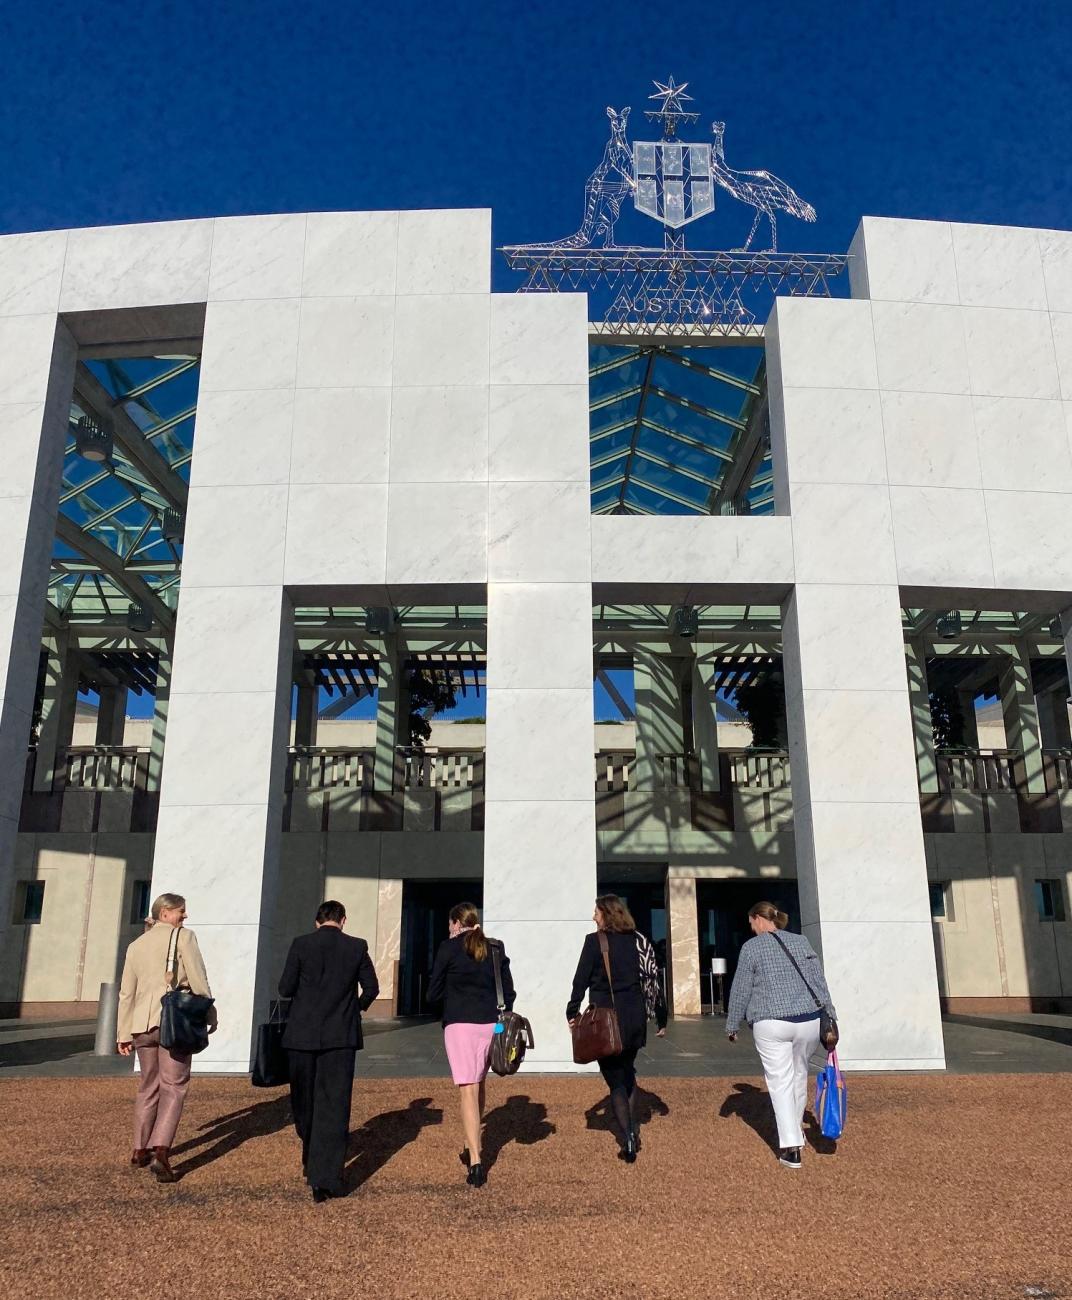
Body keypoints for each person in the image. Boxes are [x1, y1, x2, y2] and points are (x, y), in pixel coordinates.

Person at [279, 900, 379, 1202]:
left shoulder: (301, 944)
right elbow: (372, 988)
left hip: (302, 1032)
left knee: (304, 1099)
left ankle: (310, 1152)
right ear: (343, 920)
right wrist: (355, 1009)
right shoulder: (357, 946)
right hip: (340, 1033)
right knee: (334, 1104)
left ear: (317, 921)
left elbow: (285, 988)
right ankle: (327, 1177)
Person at [725, 900, 837, 1170]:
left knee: (779, 1081)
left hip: (771, 1022)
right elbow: (818, 980)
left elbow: (741, 987)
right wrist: (831, 1015)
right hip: (808, 1021)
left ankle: (791, 1147)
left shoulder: (751, 947)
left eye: (751, 922)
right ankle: (795, 1132)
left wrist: (732, 1023)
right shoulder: (800, 941)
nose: (751, 928)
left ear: (758, 919)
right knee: (798, 1077)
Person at [117, 892, 215, 1183]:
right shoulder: (183, 937)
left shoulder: (136, 945)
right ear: (164, 913)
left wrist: (123, 1033)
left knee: (148, 1085)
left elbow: (126, 993)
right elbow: (197, 978)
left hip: (141, 1026)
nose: (184, 916)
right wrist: (209, 1012)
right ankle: (161, 1151)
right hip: (173, 1021)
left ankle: (139, 1148)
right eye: (180, 911)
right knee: (174, 1085)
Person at [566, 895, 667, 1163]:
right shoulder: (639, 940)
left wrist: (572, 1012)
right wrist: (661, 1016)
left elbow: (580, 981)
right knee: (627, 1072)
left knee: (615, 1081)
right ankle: (632, 1129)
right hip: (634, 1017)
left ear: (607, 914)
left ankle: (628, 1137)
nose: (593, 916)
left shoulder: (595, 941)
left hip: (606, 1020)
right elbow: (653, 978)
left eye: (596, 911)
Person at [427, 901, 514, 1189]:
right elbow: (509, 992)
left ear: (455, 923)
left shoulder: (448, 948)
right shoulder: (495, 948)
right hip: (492, 1024)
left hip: (460, 1024)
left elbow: (433, 992)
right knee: (479, 1082)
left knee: (468, 1088)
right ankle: (469, 1139)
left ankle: (475, 1160)